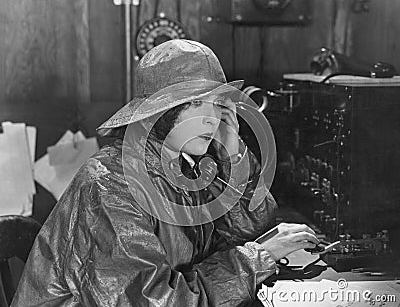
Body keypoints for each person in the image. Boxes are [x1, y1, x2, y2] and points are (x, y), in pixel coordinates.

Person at [12, 39, 319, 306]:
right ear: (158, 111)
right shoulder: (110, 187)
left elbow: (251, 231)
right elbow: (156, 301)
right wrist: (256, 259)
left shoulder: (182, 167)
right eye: (196, 102)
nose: (213, 118)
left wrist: (233, 151)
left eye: (218, 104)